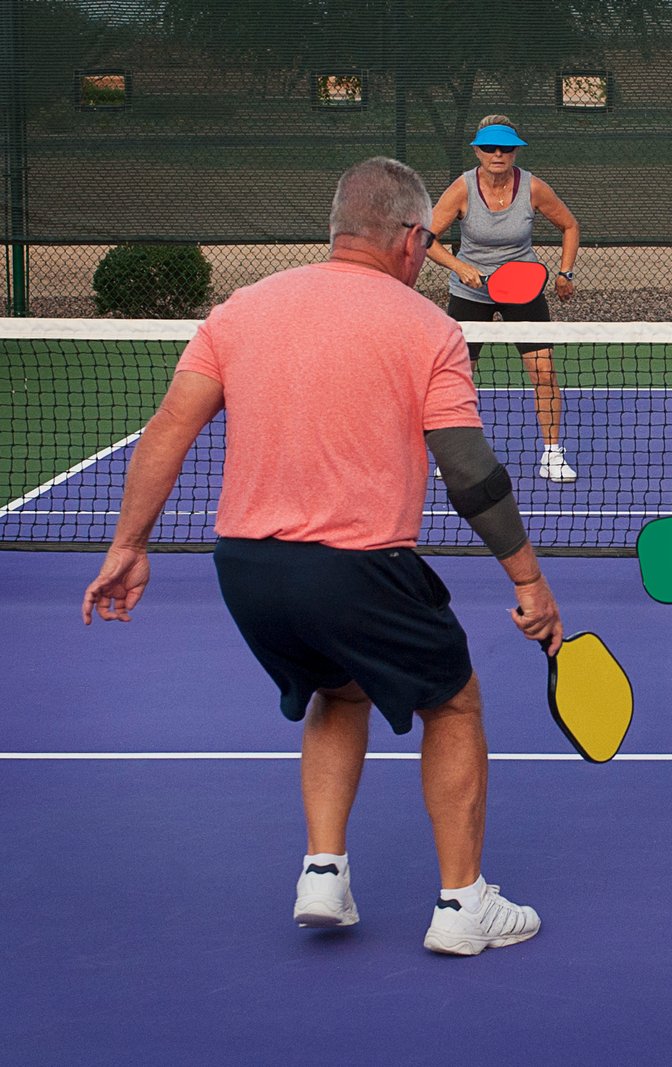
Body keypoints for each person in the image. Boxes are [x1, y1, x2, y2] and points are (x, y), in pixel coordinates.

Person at [81, 157, 563, 955]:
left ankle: (324, 872)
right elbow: (470, 471)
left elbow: (168, 426)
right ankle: (462, 904)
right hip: (357, 567)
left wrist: (128, 545)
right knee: (455, 702)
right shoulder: (429, 329)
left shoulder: (242, 309)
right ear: (413, 241)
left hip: (245, 568)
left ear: (338, 227)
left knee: (339, 693)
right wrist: (530, 580)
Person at [427, 115, 582, 482]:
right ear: (478, 151)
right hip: (470, 291)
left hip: (521, 290)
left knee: (543, 370)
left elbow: (570, 225)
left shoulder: (532, 188)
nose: (498, 154)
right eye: (490, 148)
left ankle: (552, 454)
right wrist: (459, 266)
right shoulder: (462, 188)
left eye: (506, 148)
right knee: (459, 375)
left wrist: (565, 272)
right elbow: (425, 237)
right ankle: (451, 455)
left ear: (515, 152)